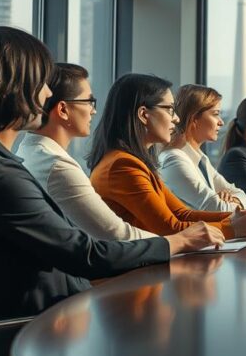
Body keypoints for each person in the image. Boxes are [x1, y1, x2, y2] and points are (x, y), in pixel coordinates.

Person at [0, 27, 222, 323]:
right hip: (39, 327)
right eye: (41, 83)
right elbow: (85, 254)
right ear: (13, 88)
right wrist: (178, 241)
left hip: (52, 316)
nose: (47, 93)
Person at [89, 74, 246, 239]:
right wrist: (232, 228)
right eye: (170, 110)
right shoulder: (122, 166)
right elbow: (170, 228)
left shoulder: (133, 162)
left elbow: (182, 213)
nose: (176, 119)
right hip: (137, 271)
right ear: (143, 114)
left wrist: (237, 216)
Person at [17, 63, 156, 241]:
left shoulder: (29, 149)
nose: (94, 110)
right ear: (63, 110)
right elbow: (117, 234)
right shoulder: (58, 166)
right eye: (89, 102)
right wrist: (179, 242)